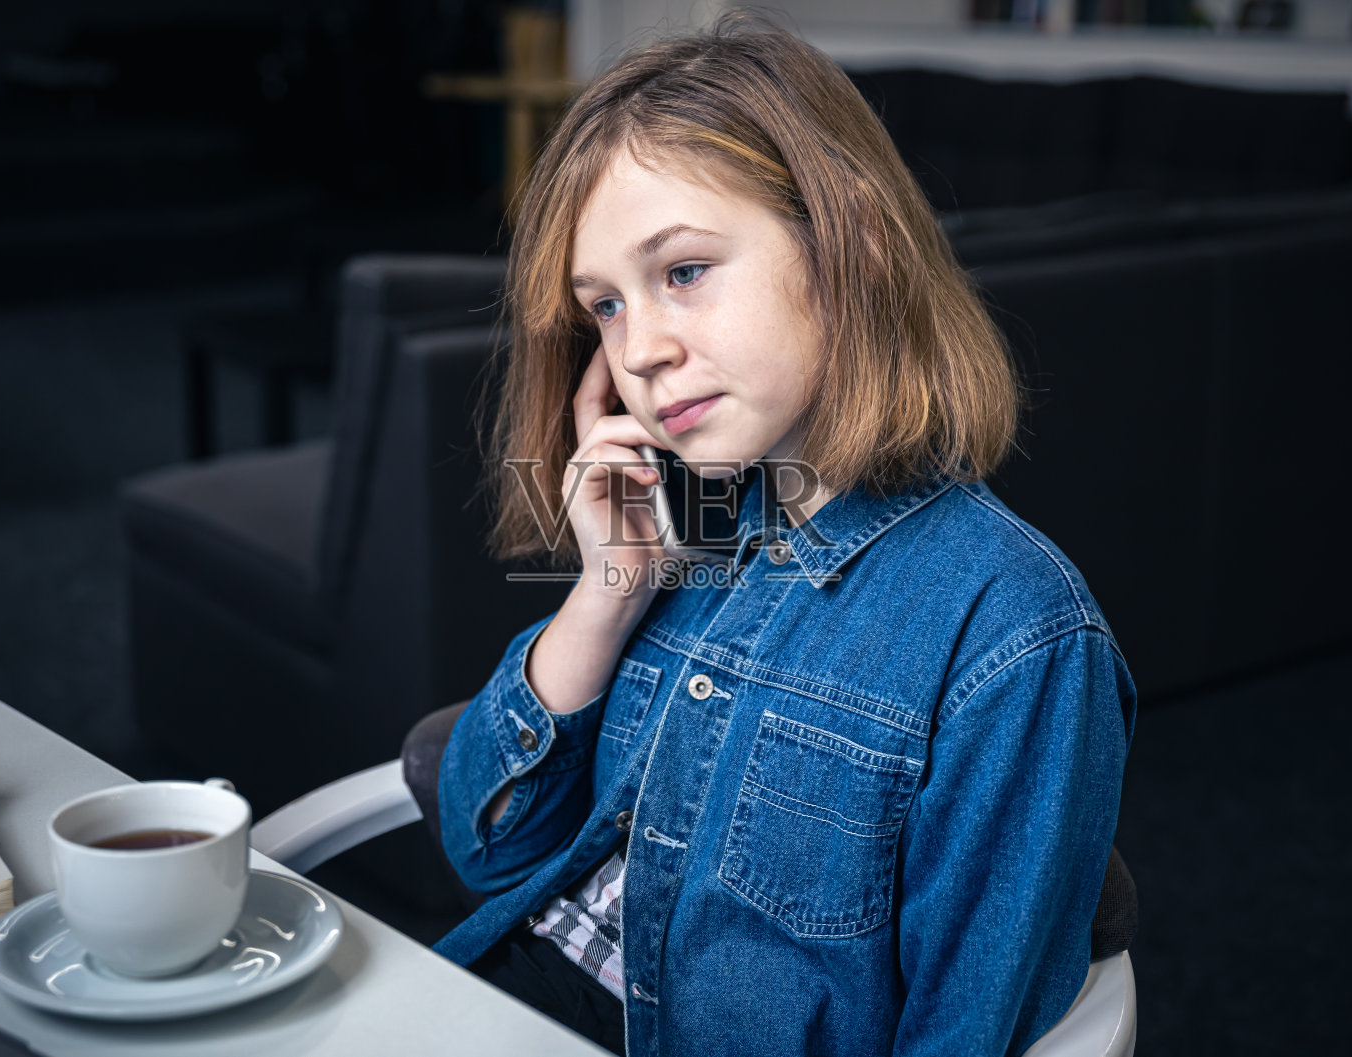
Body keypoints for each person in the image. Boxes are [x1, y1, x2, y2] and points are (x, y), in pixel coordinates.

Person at [431, 15, 1137, 1057]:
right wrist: (607, 592)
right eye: (606, 308)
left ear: (849, 238)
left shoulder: (1012, 632)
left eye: (681, 272)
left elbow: (964, 1029)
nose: (643, 351)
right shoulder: (695, 527)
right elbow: (485, 849)